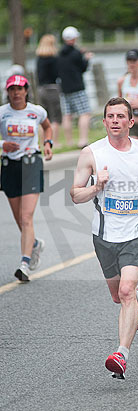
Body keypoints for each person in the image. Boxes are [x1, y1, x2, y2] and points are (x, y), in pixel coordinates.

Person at [70, 97, 138, 379]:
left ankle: (121, 354)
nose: (115, 120)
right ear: (104, 122)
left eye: (120, 116)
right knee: (118, 295)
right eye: (110, 116)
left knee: (124, 292)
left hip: (136, 234)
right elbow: (75, 195)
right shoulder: (91, 153)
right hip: (103, 235)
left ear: (131, 122)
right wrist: (96, 186)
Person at [0, 75, 53, 282]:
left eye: (19, 89)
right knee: (18, 218)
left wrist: (48, 142)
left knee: (26, 217)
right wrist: (2, 145)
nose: (16, 93)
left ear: (26, 91)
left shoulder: (36, 111)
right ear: (7, 92)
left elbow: (47, 126)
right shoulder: (3, 113)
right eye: (12, 89)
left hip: (31, 163)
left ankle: (24, 263)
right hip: (9, 165)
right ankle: (35, 244)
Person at [57, 26, 93, 148]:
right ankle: (82, 140)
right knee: (85, 113)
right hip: (77, 87)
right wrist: (87, 59)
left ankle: (69, 142)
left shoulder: (59, 53)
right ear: (74, 38)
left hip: (64, 88)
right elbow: (83, 68)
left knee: (67, 116)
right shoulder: (76, 53)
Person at [36, 34, 62, 148]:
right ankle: (54, 142)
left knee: (43, 118)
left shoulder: (39, 59)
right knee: (55, 117)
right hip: (52, 88)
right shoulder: (54, 59)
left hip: (41, 89)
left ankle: (43, 141)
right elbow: (57, 74)